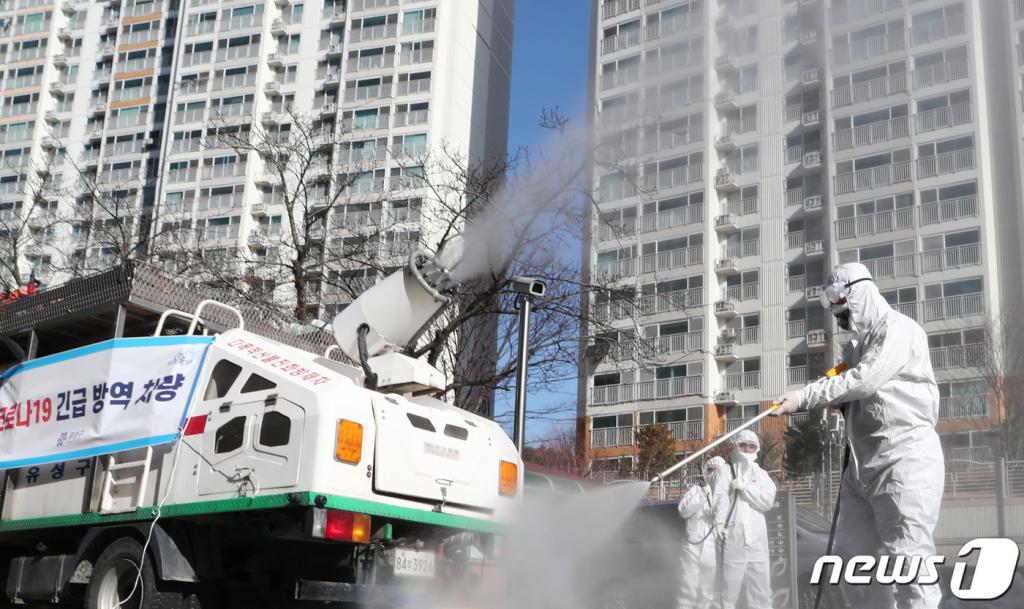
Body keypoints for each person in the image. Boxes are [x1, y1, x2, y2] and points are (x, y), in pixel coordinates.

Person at [772, 262, 944, 609]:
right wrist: (832, 392)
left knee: (908, 563)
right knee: (855, 562)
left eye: (842, 311)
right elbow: (850, 383)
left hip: (903, 458)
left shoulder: (898, 329)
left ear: (859, 294)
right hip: (862, 465)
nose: (840, 320)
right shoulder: (856, 347)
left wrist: (804, 397)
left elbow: (865, 379)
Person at [712, 430, 776, 609]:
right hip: (733, 540)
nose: (747, 449)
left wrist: (745, 488)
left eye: (752, 446)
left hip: (757, 543)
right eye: (743, 445)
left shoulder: (761, 474)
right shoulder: (725, 472)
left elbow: (767, 501)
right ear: (736, 446)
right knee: (727, 592)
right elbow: (720, 498)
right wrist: (719, 522)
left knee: (761, 591)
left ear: (757, 448)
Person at [676, 456, 725, 609]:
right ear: (705, 471)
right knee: (687, 589)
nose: (713, 473)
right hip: (691, 549)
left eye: (717, 471)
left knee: (707, 592)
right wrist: (701, 496)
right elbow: (683, 511)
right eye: (710, 470)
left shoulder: (724, 495)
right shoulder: (695, 490)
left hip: (712, 551)